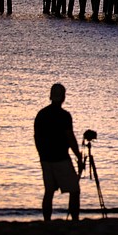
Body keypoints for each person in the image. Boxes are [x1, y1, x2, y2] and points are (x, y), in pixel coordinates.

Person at [34, 83, 83, 221]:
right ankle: (74, 220)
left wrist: (41, 154)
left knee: (49, 191)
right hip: (60, 158)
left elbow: (36, 137)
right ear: (63, 97)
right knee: (74, 189)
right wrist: (78, 156)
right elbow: (70, 138)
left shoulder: (41, 114)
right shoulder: (64, 116)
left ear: (50, 96)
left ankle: (47, 221)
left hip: (45, 157)